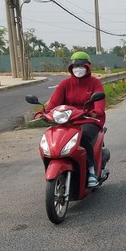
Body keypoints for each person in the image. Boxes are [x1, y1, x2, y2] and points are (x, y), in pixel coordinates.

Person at [47, 51, 106, 188]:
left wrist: (95, 112)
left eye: (82, 66)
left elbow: (100, 105)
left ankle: (91, 171)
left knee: (83, 137)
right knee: (53, 136)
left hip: (89, 120)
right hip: (68, 120)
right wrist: (44, 112)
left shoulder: (95, 83)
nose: (78, 69)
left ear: (88, 67)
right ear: (70, 68)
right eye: (75, 66)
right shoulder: (65, 84)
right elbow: (53, 103)